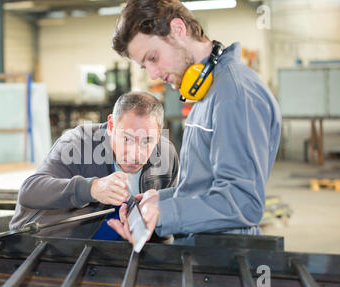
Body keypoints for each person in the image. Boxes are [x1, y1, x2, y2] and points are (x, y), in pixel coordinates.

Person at [108, 0, 282, 245]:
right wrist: (160, 199)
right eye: (144, 65)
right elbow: (204, 188)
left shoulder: (234, 94)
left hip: (225, 262)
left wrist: (163, 215)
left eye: (153, 57)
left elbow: (242, 202)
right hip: (203, 253)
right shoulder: (207, 92)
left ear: (178, 30)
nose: (153, 74)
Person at [10, 91, 179, 287]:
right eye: (127, 139)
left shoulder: (167, 156)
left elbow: (165, 225)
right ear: (111, 126)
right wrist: (92, 189)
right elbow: (30, 190)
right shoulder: (78, 142)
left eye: (147, 141)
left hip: (107, 263)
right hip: (51, 255)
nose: (136, 153)